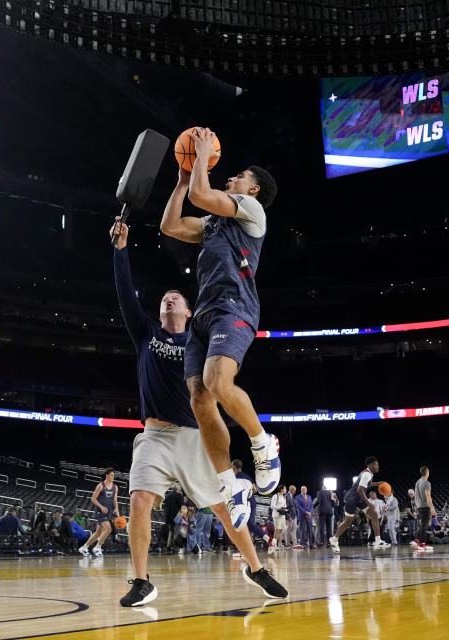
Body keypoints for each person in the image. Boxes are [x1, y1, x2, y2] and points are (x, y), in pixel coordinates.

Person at [110, 218, 287, 606]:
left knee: (226, 508)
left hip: (194, 437)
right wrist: (120, 251)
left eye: (176, 298)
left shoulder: (199, 337)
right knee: (140, 499)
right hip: (155, 436)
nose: (168, 300)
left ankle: (256, 568)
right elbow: (125, 295)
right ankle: (141, 582)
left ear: (190, 311)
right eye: (163, 300)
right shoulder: (146, 334)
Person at [158, 141, 282, 507]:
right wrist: (182, 180)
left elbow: (201, 193)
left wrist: (198, 161)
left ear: (254, 189)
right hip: (204, 314)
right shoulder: (214, 223)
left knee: (217, 381)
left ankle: (263, 443)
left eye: (240, 176)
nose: (232, 177)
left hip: (235, 307)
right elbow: (171, 225)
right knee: (199, 398)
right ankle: (230, 484)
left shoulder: (252, 210)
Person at [330, 456, 390, 551]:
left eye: (377, 465)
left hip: (358, 499)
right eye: (376, 465)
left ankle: (378, 541)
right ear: (370, 465)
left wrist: (377, 483)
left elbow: (366, 484)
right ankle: (334, 539)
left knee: (374, 515)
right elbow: (360, 490)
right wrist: (369, 503)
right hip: (352, 499)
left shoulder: (368, 474)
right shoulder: (366, 474)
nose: (378, 467)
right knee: (347, 522)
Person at [79, 468, 120, 557]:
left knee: (98, 532)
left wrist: (116, 509)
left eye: (114, 475)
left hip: (108, 512)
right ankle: (97, 547)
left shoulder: (115, 487)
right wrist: (101, 507)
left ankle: (84, 547)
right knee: (109, 529)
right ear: (107, 475)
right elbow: (93, 498)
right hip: (100, 512)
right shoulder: (100, 486)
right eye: (112, 475)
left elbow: (115, 499)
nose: (113, 476)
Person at [411, 466, 436, 551]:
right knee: (424, 526)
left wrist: (416, 506)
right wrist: (432, 508)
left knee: (422, 525)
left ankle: (417, 541)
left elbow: (415, 495)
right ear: (427, 472)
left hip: (419, 506)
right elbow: (428, 496)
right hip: (425, 506)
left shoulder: (418, 482)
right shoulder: (427, 483)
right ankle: (422, 544)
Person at [270, 485, 290, 549]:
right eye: (285, 488)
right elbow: (272, 506)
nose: (286, 490)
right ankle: (273, 545)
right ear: (281, 489)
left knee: (281, 530)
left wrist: (285, 507)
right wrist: (280, 507)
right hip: (276, 515)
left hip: (282, 515)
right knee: (277, 530)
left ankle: (280, 544)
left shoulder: (284, 497)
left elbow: (284, 505)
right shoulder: (275, 496)